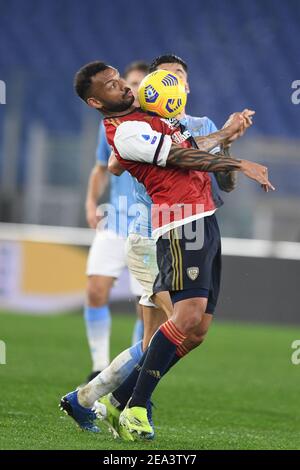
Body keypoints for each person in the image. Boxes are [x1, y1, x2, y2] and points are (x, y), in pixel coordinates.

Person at [60, 59, 273, 439]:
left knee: (193, 330)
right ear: (96, 102)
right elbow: (173, 156)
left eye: (118, 79)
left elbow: (191, 150)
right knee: (177, 324)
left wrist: (226, 134)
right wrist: (239, 161)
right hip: (164, 229)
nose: (123, 85)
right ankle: (133, 406)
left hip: (202, 219)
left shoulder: (155, 115)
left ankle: (98, 399)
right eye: (111, 85)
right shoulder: (126, 129)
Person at [83, 61, 149, 382]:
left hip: (146, 226)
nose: (130, 87)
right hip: (114, 221)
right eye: (128, 81)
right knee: (95, 291)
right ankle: (98, 366)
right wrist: (91, 201)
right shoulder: (108, 126)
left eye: (138, 83)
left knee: (145, 308)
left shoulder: (155, 122)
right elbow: (101, 167)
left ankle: (130, 372)